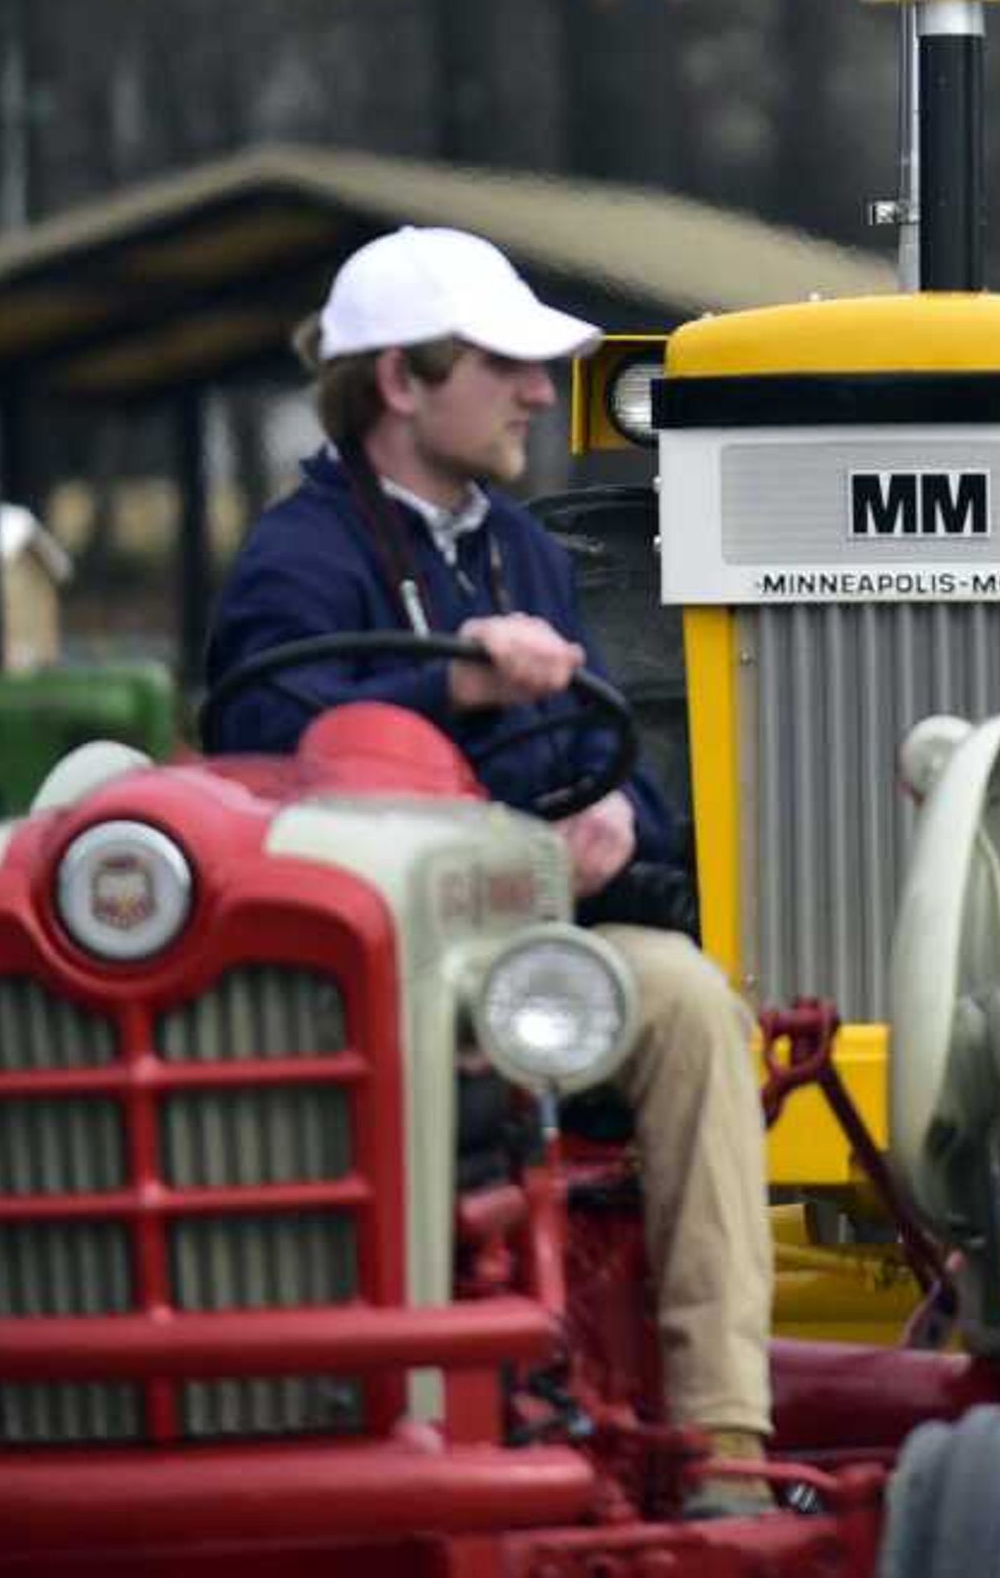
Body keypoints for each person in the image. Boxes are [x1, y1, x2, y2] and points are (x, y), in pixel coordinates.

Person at [204, 227, 774, 1515]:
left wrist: (621, 815)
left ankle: (724, 1446)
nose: (535, 391)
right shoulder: (298, 561)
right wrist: (451, 675)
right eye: (508, 366)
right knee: (678, 998)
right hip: (366, 981)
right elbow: (263, 747)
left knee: (684, 1000)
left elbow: (599, 751)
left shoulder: (522, 550)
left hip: (527, 957)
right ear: (402, 381)